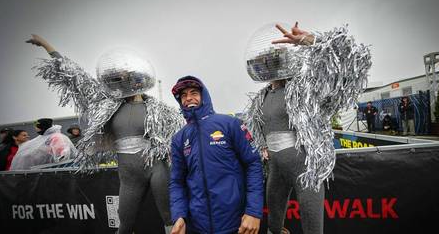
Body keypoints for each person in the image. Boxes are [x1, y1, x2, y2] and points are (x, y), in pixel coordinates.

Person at [26, 34, 183, 234]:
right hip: (129, 175)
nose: (126, 81)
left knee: (170, 218)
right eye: (121, 77)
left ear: (139, 79)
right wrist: (46, 45)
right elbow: (77, 78)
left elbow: (182, 137)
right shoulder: (107, 105)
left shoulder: (160, 109)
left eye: (130, 77)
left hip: (158, 169)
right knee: (124, 221)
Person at [243, 22, 371, 234]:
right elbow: (255, 126)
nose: (269, 64)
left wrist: (310, 41)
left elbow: (349, 64)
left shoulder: (304, 89)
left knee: (313, 228)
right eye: (265, 60)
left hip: (305, 169)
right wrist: (262, 146)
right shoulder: (261, 97)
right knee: (274, 227)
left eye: (275, 58)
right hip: (275, 170)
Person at [170, 76, 264, 234]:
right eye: (184, 95)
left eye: (194, 92)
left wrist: (253, 211)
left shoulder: (231, 124)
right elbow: (177, 182)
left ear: (204, 96)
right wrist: (179, 215)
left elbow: (253, 164)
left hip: (238, 224)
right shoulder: (179, 138)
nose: (188, 98)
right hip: (198, 227)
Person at [10, 118, 76, 170]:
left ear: (42, 127)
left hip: (54, 170)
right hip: (44, 169)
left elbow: (62, 155)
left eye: (37, 127)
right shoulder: (43, 137)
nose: (35, 129)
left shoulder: (56, 137)